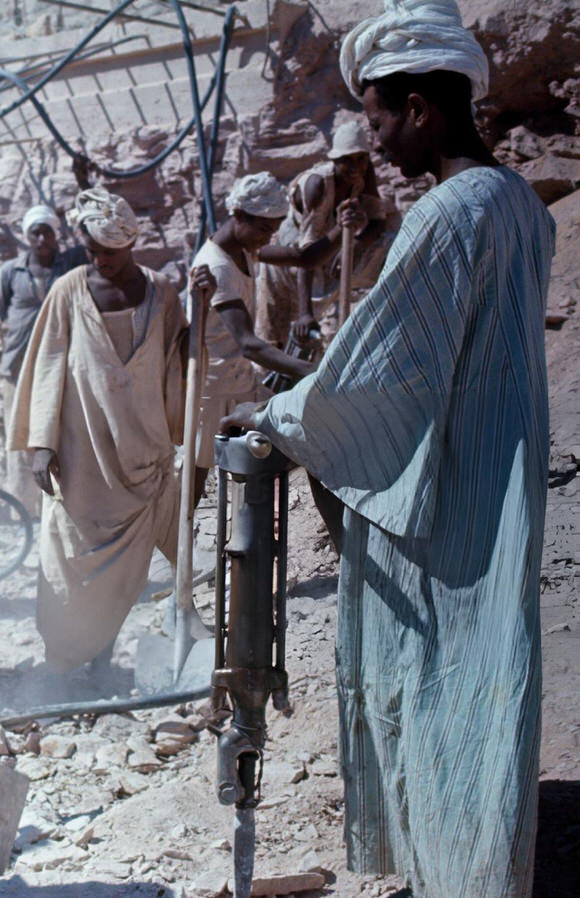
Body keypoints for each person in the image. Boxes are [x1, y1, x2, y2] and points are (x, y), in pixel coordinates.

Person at [222, 2, 554, 894]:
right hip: (500, 478)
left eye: (375, 115)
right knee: (489, 668)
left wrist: (279, 419)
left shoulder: (447, 214)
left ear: (420, 108)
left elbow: (379, 370)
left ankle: (461, 869)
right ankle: (485, 859)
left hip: (445, 501)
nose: (375, 138)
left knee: (440, 675)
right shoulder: (522, 204)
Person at [7, 187, 191, 676]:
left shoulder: (162, 293)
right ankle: (65, 662)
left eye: (108, 251)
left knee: (124, 573)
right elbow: (46, 364)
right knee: (73, 562)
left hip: (142, 452)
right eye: (91, 249)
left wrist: (205, 310)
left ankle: (103, 662)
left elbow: (182, 363)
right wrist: (41, 445)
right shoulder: (69, 290)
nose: (98, 259)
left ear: (130, 244)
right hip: (82, 454)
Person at [189, 173, 365, 550]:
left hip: (241, 384)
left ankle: (343, 549)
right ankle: (179, 558)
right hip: (212, 390)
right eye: (264, 229)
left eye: (273, 229)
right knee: (195, 482)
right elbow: (249, 344)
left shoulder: (244, 250)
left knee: (309, 446)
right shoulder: (216, 266)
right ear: (238, 215)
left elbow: (303, 258)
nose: (269, 238)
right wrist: (313, 372)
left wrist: (340, 230)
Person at [255, 120, 390, 347]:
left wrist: (355, 245)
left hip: (331, 243)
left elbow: (377, 221)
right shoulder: (317, 185)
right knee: (276, 332)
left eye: (360, 158)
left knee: (386, 248)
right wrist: (304, 313)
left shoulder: (365, 174)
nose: (355, 167)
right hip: (294, 250)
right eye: (347, 160)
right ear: (335, 161)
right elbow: (306, 256)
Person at [0, 204, 88, 512]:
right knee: (20, 438)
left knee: (59, 433)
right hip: (18, 368)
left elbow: (91, 240)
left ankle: (59, 504)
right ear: (27, 237)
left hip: (60, 367)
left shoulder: (70, 265)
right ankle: (22, 509)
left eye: (48, 231)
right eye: (36, 232)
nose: (43, 238)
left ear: (56, 235)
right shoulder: (11, 272)